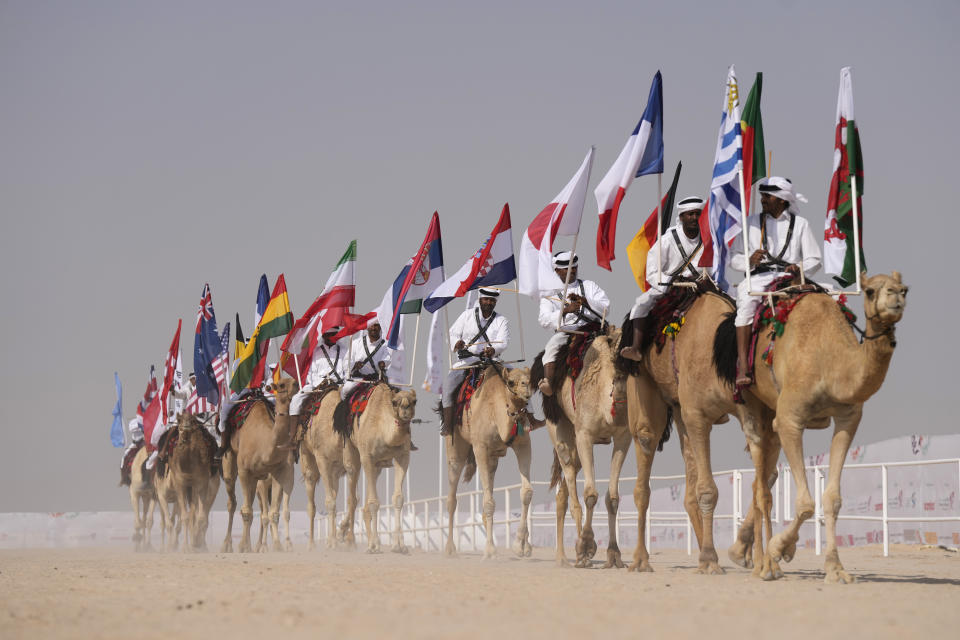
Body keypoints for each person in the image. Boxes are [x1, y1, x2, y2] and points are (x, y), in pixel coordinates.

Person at [729, 176, 821, 385]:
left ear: (781, 199)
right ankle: (743, 366)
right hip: (758, 278)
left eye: (767, 196)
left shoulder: (801, 225)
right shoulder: (750, 223)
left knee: (827, 299)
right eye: (762, 195)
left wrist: (799, 268)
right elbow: (733, 258)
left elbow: (814, 259)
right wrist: (749, 261)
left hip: (790, 279)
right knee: (746, 307)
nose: (762, 199)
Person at [621, 197, 705, 361]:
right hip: (671, 286)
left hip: (701, 285)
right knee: (641, 305)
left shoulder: (708, 238)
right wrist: (669, 281)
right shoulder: (667, 240)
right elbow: (652, 272)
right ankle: (636, 348)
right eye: (690, 214)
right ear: (681, 217)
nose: (695, 218)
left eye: (697, 214)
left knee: (732, 301)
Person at [537, 251, 609, 396]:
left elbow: (606, 308)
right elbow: (544, 320)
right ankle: (549, 384)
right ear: (557, 270)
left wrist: (586, 301)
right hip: (568, 333)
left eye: (574, 267)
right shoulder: (549, 294)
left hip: (594, 330)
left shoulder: (589, 286)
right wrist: (566, 310)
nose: (573, 270)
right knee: (551, 346)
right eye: (568, 268)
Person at [440, 288, 510, 434]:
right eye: (486, 299)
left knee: (518, 379)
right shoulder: (466, 315)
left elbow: (503, 342)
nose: (489, 302)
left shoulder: (501, 320)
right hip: (467, 361)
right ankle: (447, 424)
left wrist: (493, 349)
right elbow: (451, 334)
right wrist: (457, 342)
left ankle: (527, 418)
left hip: (491, 361)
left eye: (492, 300)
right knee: (447, 387)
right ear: (480, 300)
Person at [289, 326, 346, 420]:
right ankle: (293, 433)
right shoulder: (315, 352)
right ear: (323, 336)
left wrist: (339, 382)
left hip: (339, 385)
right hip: (317, 385)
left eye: (333, 335)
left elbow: (347, 372)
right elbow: (310, 374)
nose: (331, 337)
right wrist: (321, 383)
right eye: (328, 335)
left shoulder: (344, 351)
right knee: (296, 400)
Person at [341, 320, 391, 400]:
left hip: (376, 380)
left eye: (376, 325)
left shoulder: (385, 346)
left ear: (380, 327)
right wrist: (354, 365)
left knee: (390, 396)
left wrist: (383, 363)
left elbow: (388, 360)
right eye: (371, 325)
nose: (373, 328)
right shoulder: (356, 343)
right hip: (358, 379)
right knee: (346, 389)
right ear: (367, 327)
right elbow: (346, 362)